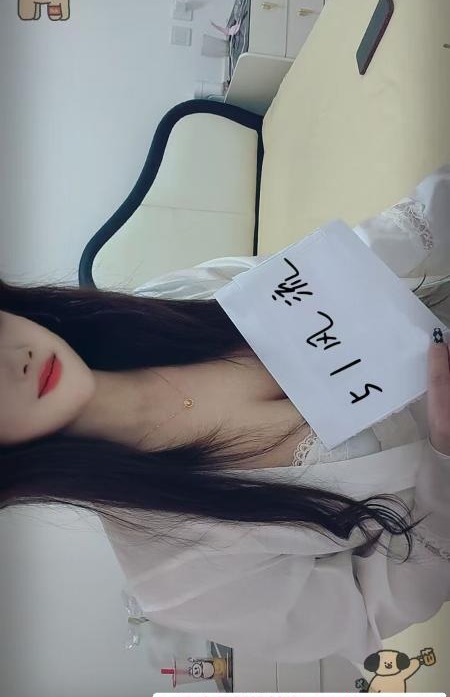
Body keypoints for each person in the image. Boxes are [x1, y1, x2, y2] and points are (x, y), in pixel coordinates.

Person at [0, 165, 449, 667]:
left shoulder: (166, 299)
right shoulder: (172, 574)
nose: (14, 362)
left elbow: (358, 264)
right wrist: (444, 462)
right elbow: (372, 607)